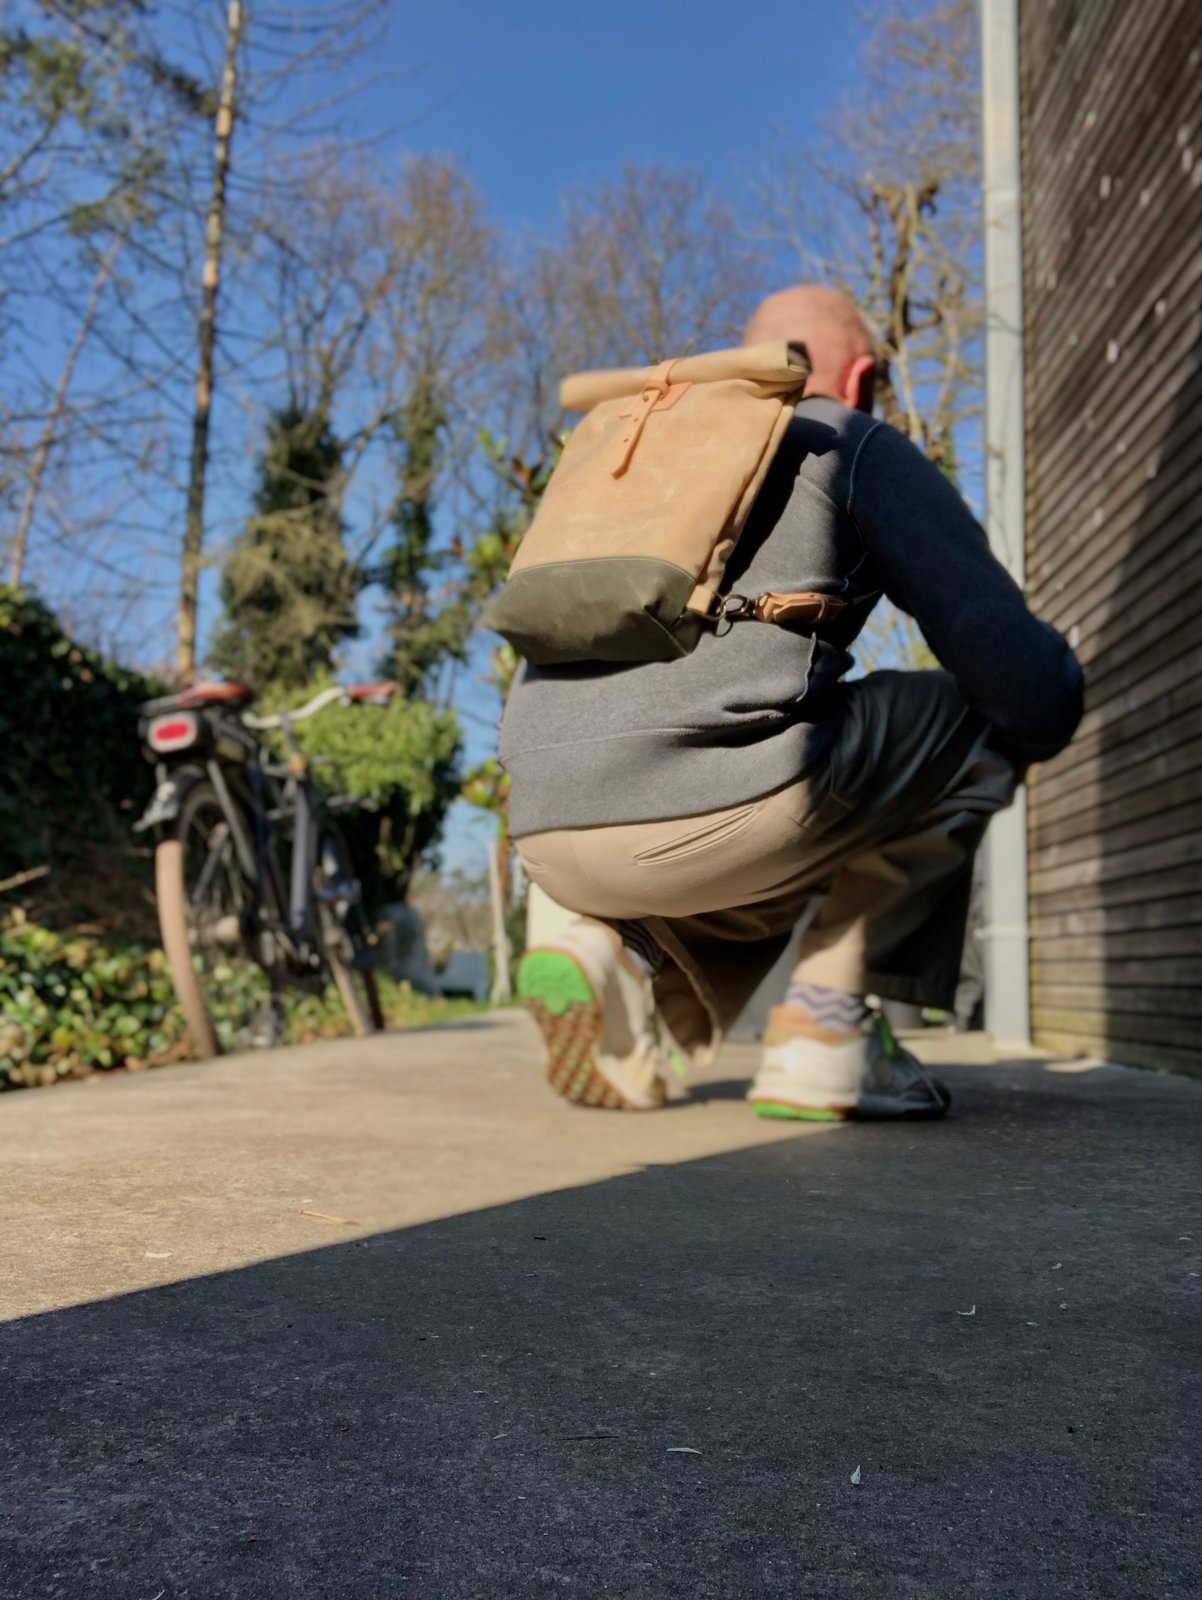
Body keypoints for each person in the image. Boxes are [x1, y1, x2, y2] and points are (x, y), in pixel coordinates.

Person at [499, 285, 1083, 1120]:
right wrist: (1062, 687)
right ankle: (828, 1031)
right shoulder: (845, 438)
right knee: (969, 719)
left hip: (545, 843)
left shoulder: (623, 458)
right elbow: (1022, 687)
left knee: (766, 771)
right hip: (708, 818)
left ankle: (607, 945)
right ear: (865, 377)